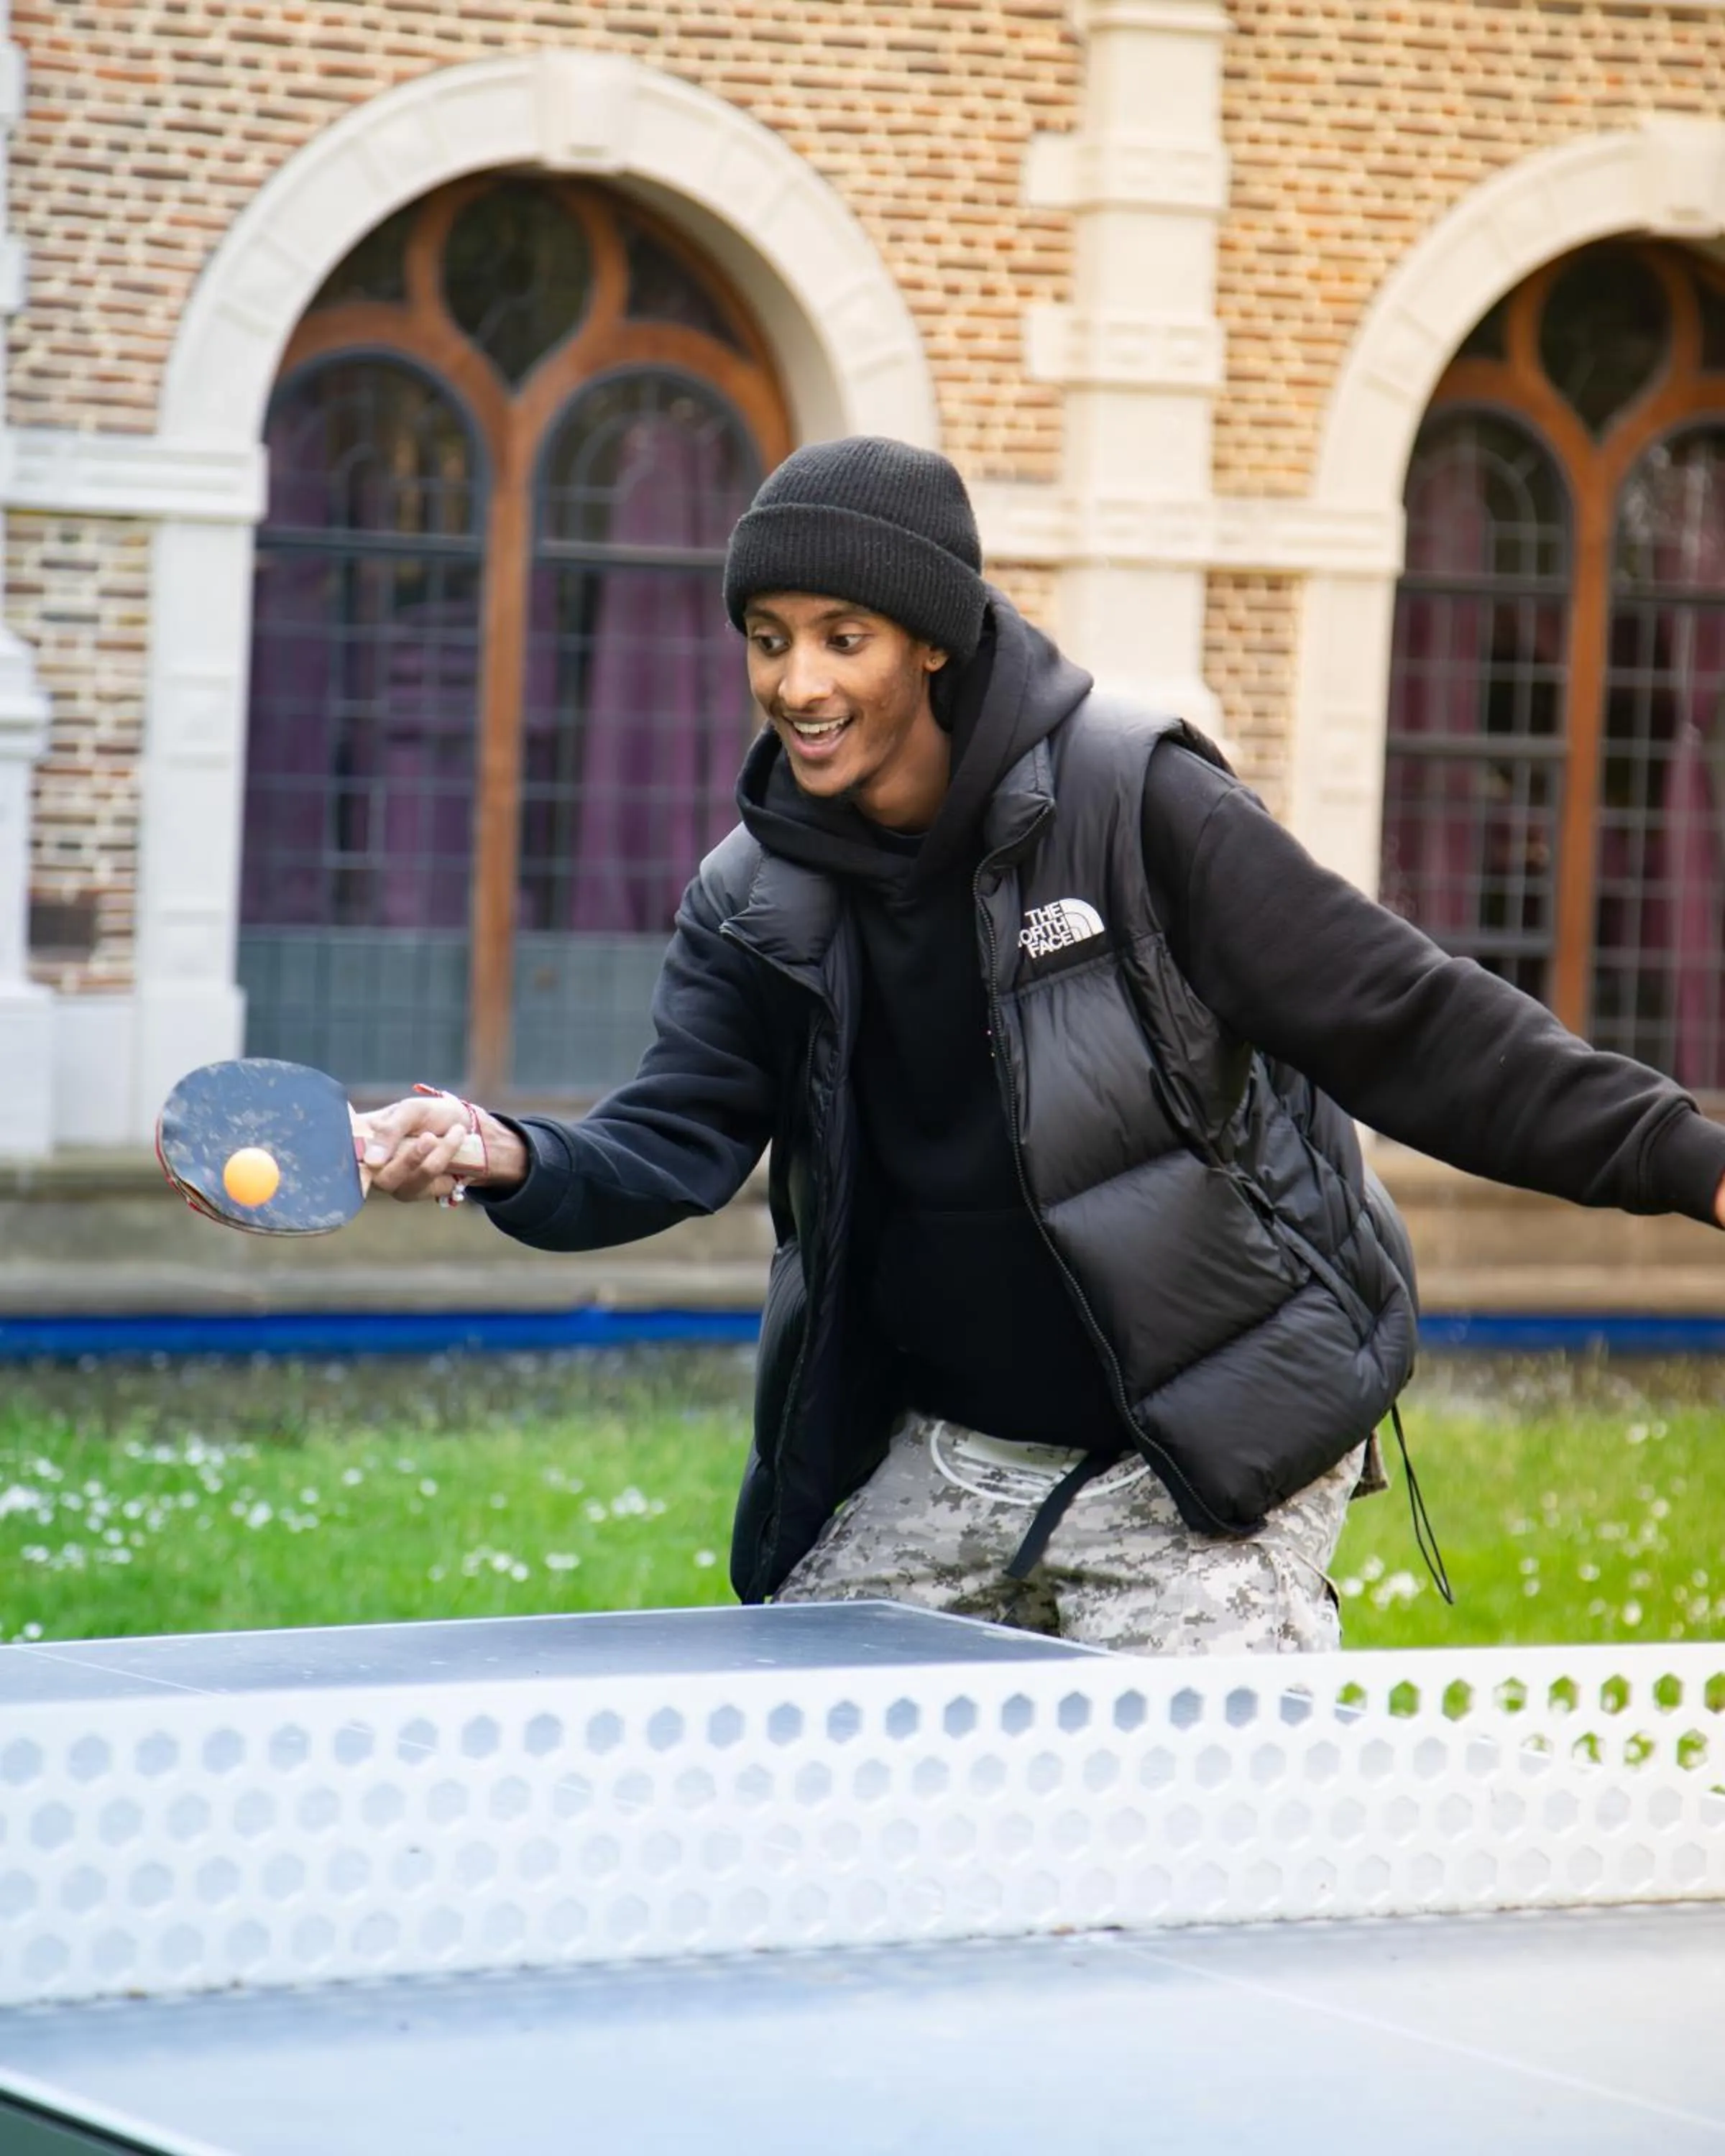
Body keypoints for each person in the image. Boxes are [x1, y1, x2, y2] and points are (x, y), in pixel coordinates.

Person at [361, 436, 1725, 1657]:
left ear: (935, 641)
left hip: (1207, 1437)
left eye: (846, 637)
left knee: (1196, 1863)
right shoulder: (752, 892)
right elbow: (672, 1141)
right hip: (943, 1447)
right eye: (770, 638)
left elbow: (1408, 1020)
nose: (798, 681)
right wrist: (502, 1153)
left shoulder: (1139, 804)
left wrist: (1694, 1160)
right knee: (822, 1839)